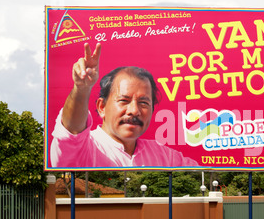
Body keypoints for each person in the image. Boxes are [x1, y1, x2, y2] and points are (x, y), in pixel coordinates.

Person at [50, 43, 197, 168]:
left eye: (144, 103)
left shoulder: (166, 158)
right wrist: (81, 88)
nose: (134, 111)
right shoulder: (85, 148)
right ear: (102, 107)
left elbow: (202, 175)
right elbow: (72, 131)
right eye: (124, 101)